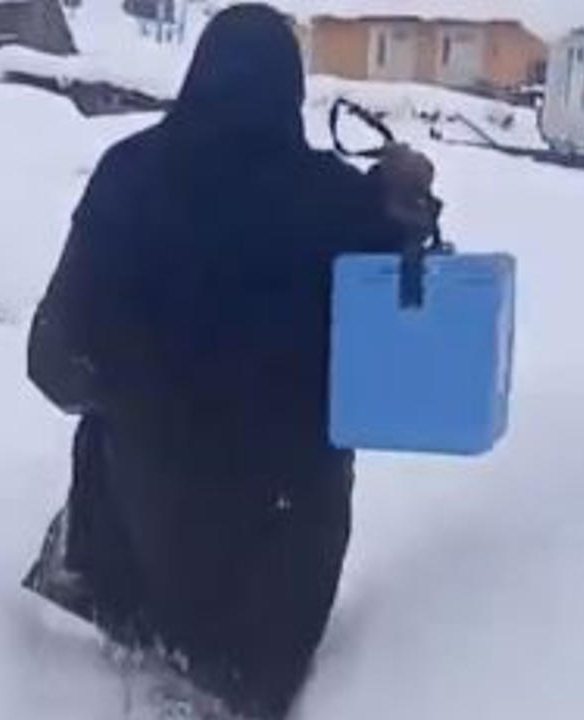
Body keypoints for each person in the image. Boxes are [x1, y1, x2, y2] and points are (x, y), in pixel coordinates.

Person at [23, 4, 438, 718]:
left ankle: (106, 648)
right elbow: (411, 332)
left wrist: (139, 389)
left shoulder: (129, 177)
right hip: (279, 589)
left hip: (135, 561)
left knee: (108, 449)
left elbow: (55, 361)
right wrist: (401, 205)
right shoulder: (341, 201)